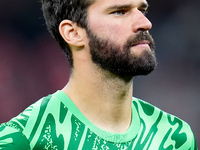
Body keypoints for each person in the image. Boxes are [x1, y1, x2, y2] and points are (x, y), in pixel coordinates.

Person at [0, 0, 198, 149]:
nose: (144, 23)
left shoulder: (174, 135)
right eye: (119, 12)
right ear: (72, 32)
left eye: (141, 10)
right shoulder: (20, 137)